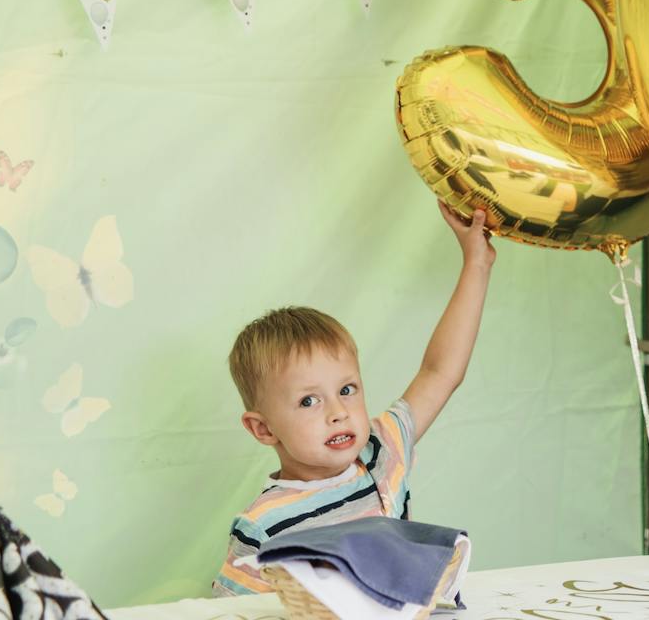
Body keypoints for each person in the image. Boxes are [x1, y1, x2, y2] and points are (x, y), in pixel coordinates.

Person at [211, 203, 497, 596]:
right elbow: (227, 612)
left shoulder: (383, 450)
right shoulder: (263, 526)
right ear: (263, 428)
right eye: (309, 401)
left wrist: (476, 264)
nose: (338, 412)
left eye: (347, 390)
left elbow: (440, 372)